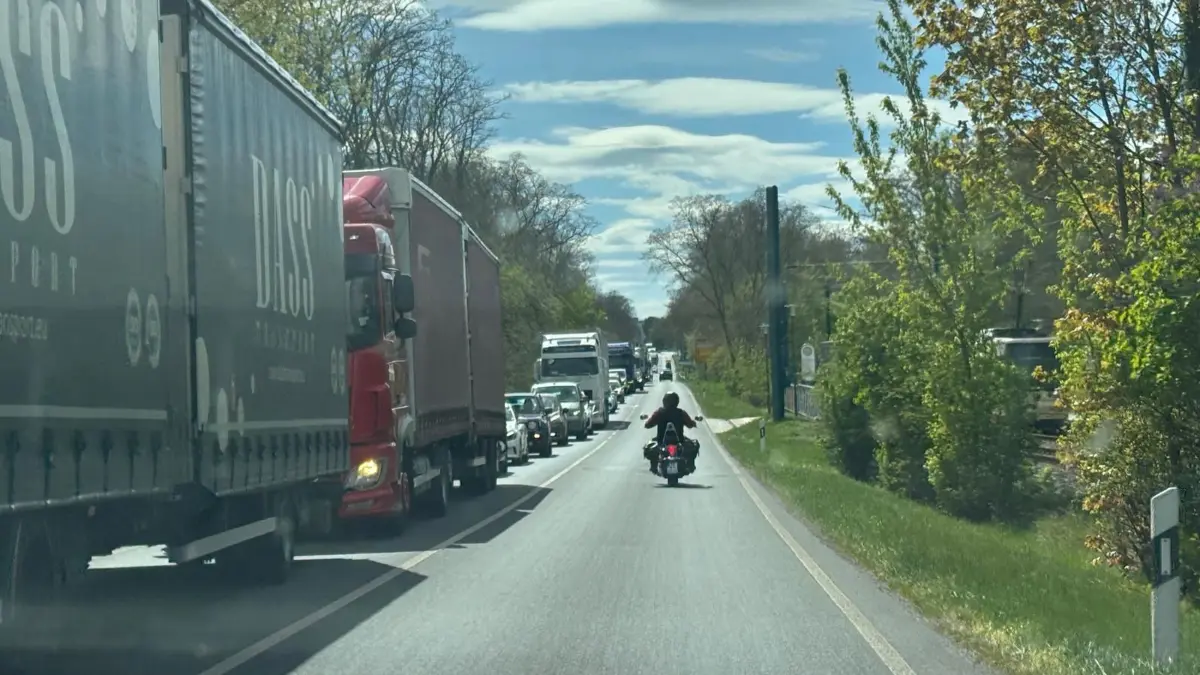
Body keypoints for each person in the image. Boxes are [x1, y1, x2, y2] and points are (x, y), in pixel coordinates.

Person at [642, 391, 699, 473]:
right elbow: (690, 424)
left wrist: (648, 422)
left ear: (664, 401)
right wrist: (693, 423)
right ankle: (690, 465)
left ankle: (654, 466)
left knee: (649, 447)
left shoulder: (659, 412)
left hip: (661, 441)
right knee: (694, 445)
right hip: (679, 440)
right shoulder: (681, 413)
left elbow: (648, 425)